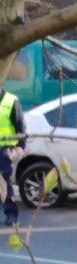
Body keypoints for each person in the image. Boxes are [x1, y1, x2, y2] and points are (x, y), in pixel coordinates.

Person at [0, 85, 25, 226]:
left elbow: (20, 126)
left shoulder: (10, 100)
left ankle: (11, 213)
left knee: (4, 180)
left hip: (4, 148)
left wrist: (20, 147)